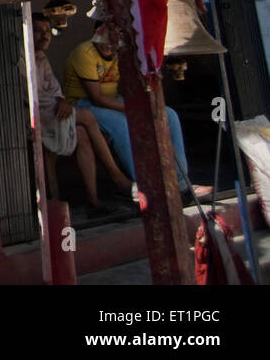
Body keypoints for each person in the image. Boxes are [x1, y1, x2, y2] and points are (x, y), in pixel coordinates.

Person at [64, 20, 192, 193]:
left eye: (113, 41)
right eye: (103, 40)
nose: (108, 46)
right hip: (83, 103)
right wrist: (134, 109)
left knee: (168, 114)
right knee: (122, 125)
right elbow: (97, 98)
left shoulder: (121, 51)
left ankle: (182, 182)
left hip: (113, 99)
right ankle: (145, 183)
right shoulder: (84, 53)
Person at [31, 14, 132, 214]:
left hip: (52, 111)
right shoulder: (23, 58)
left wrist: (60, 101)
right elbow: (31, 95)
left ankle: (93, 200)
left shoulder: (42, 58)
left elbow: (54, 88)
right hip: (35, 115)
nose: (44, 36)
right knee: (87, 116)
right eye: (38, 31)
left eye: (46, 31)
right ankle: (118, 177)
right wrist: (58, 103)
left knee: (83, 134)